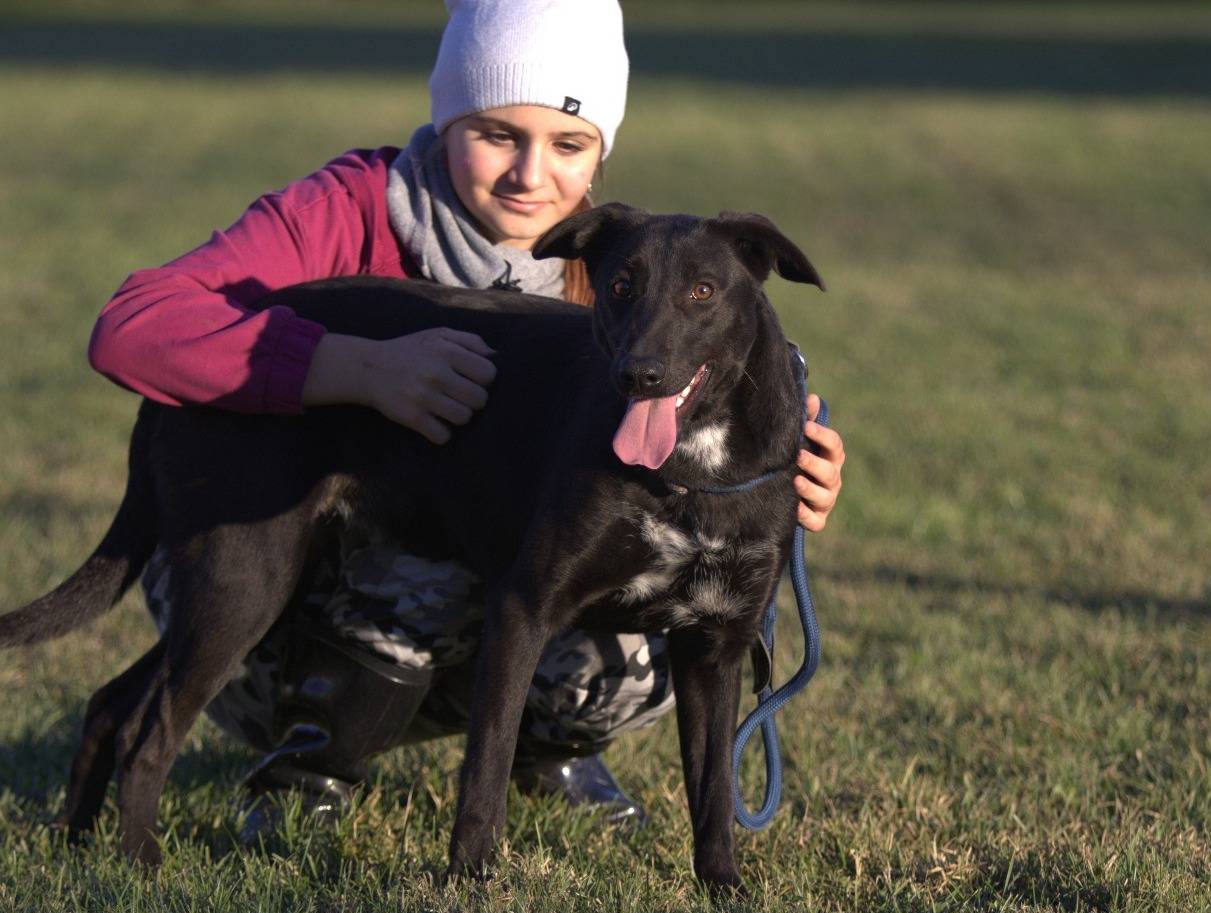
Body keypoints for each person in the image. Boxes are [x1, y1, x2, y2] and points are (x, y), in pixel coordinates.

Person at [87, 0, 845, 835]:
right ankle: (308, 763)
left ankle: (540, 750)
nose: (529, 174)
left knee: (665, 600)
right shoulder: (349, 210)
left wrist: (779, 472)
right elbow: (131, 325)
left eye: (567, 144)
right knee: (439, 566)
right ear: (444, 120)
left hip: (490, 566)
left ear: (599, 153)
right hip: (272, 578)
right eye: (494, 133)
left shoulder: (624, 269)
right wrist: (350, 367)